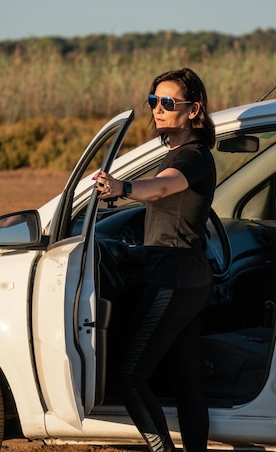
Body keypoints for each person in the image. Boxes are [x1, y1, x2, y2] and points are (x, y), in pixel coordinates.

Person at [95, 67, 216, 452]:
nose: (158, 110)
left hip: (173, 278)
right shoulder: (186, 154)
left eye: (168, 102)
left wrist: (123, 187)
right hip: (190, 278)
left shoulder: (192, 157)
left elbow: (163, 186)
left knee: (129, 376)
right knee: (187, 382)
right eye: (153, 101)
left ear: (194, 110)